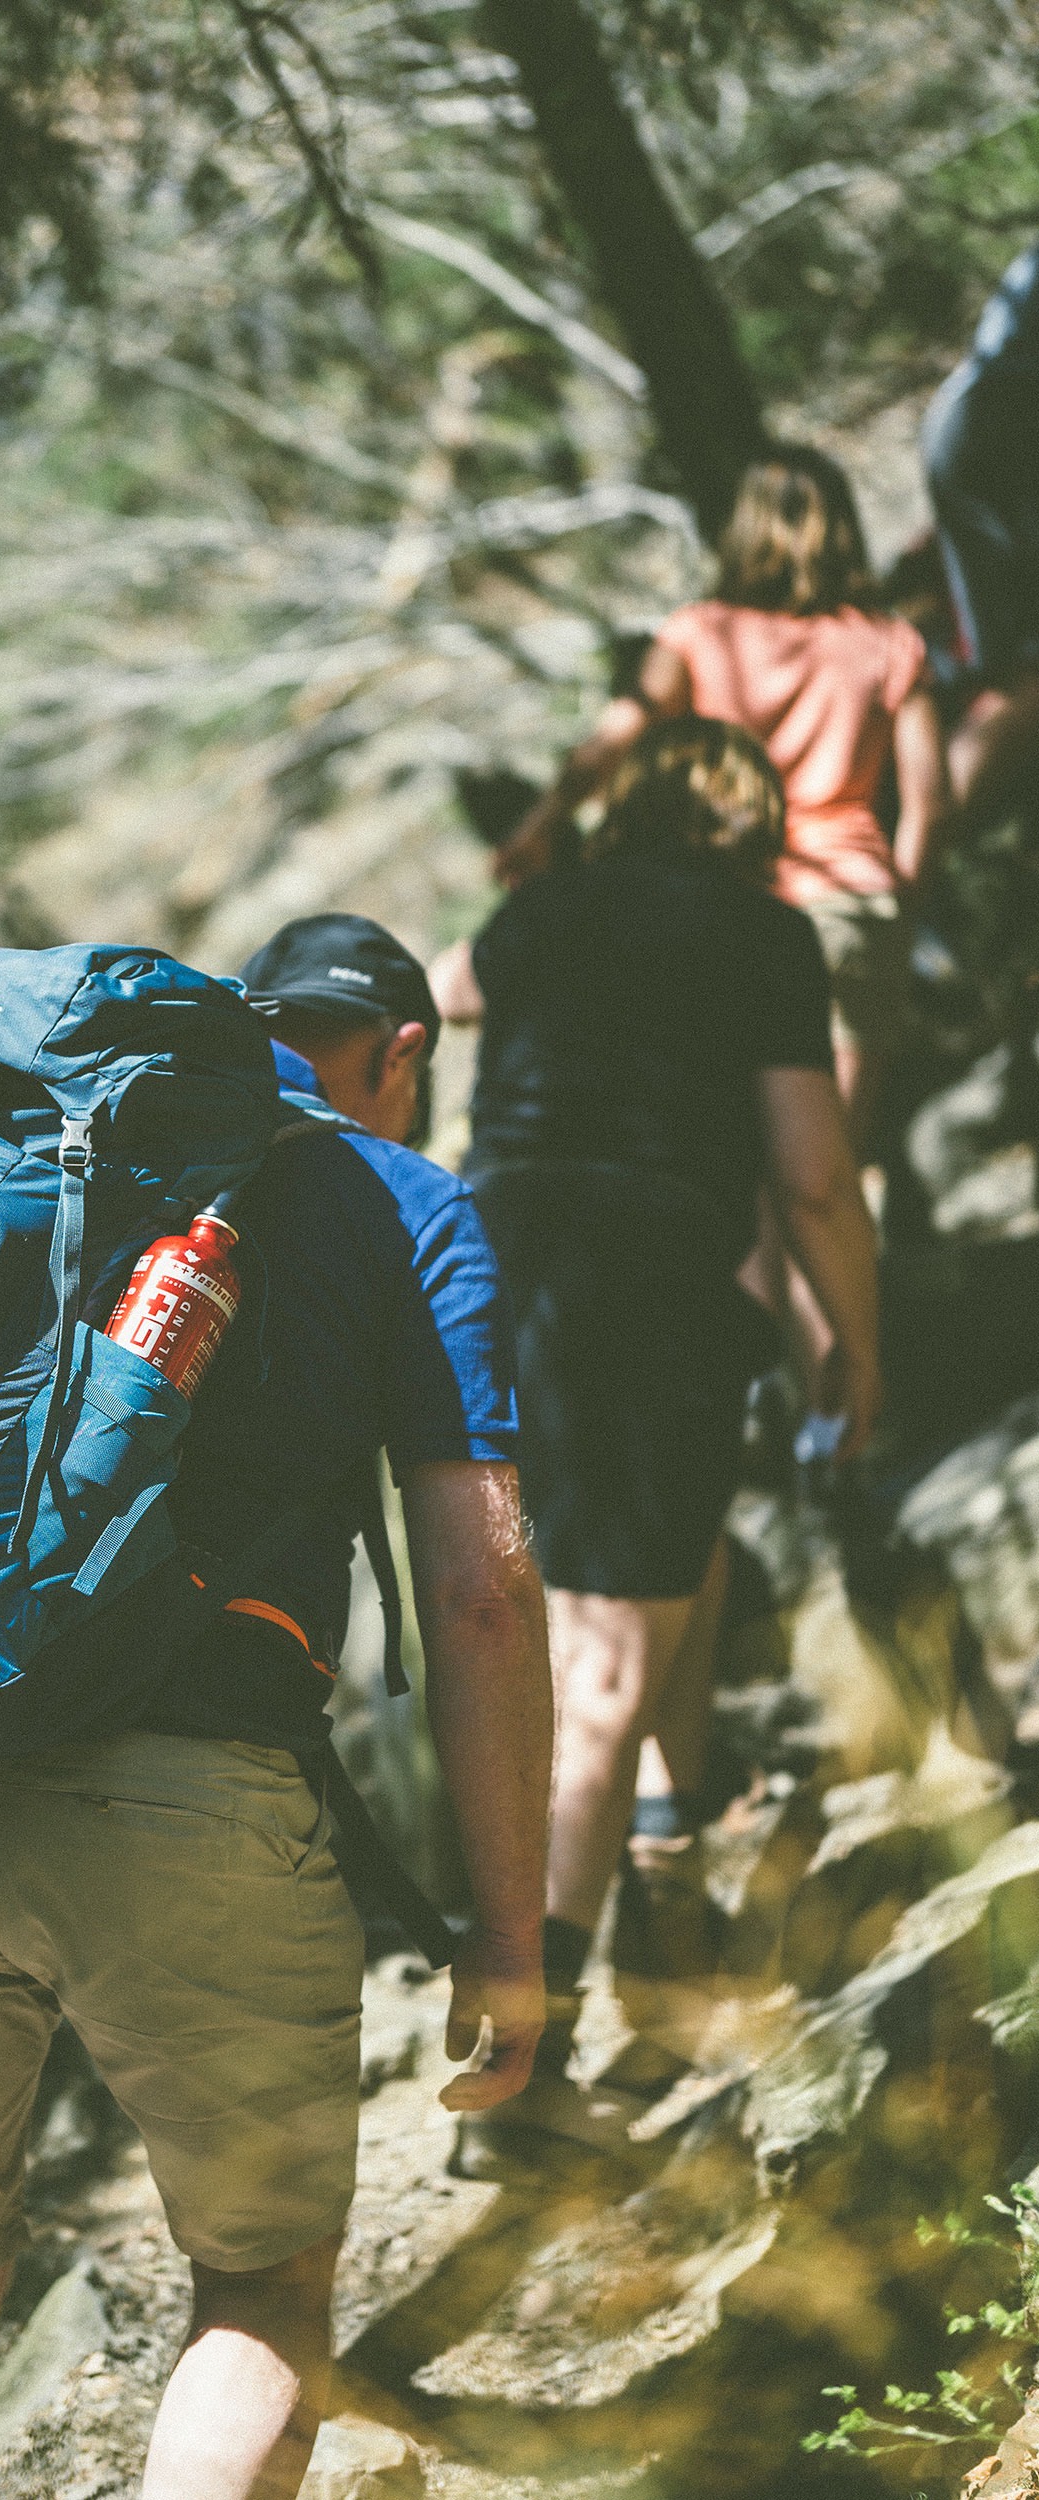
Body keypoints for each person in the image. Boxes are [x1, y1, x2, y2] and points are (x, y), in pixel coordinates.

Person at [0, 913, 553, 2500]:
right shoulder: (390, 1198)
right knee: (262, 2287)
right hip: (191, 1789)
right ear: (395, 1056)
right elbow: (480, 1590)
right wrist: (508, 1938)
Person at [429, 719, 881, 2142]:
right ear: (747, 822)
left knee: (653, 1588)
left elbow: (443, 994)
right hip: (643, 1288)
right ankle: (514, 2071)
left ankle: (665, 1902)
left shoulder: (534, 913)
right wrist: (854, 1348)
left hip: (486, 1276)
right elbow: (810, 1177)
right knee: (605, 1668)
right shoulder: (760, 934)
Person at [471, 445, 948, 1151]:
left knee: (728, 1144)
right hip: (850, 897)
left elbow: (608, 746)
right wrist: (900, 899)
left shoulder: (699, 632)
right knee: (831, 1159)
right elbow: (928, 800)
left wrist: (539, 824)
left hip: (727, 896)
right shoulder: (887, 643)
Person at [921, 240, 1039, 826]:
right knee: (1026, 669)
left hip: (965, 417)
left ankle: (935, 840)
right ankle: (937, 842)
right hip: (1003, 424)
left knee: (1012, 666)